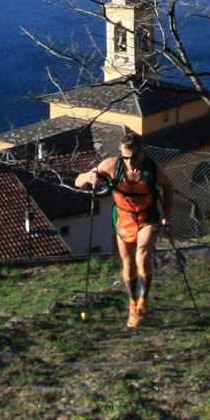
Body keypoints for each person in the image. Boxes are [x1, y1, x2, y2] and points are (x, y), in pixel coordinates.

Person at [74, 132, 173, 327]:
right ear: (121, 153)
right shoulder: (112, 166)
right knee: (128, 263)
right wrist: (90, 176)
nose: (130, 162)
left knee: (142, 256)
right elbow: (78, 181)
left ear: (142, 152)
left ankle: (143, 300)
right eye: (126, 157)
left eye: (134, 157)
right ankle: (132, 303)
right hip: (123, 218)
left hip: (147, 216)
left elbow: (168, 187)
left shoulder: (152, 168)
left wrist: (166, 216)